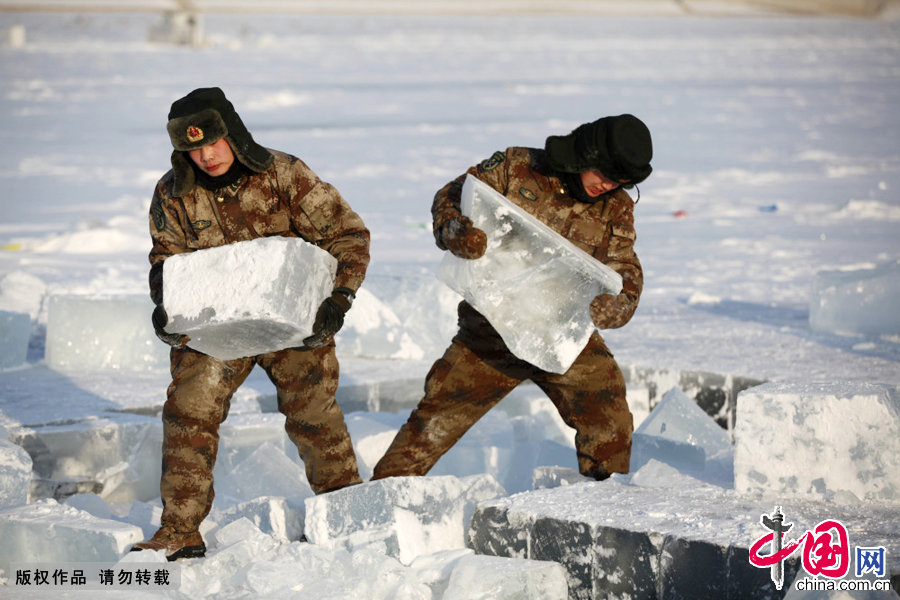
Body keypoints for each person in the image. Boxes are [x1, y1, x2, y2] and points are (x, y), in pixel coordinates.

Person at [132, 87, 369, 560]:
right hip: (217, 327)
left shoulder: (284, 173)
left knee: (315, 418)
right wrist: (166, 307)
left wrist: (339, 298)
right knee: (188, 411)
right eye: (193, 148)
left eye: (213, 142)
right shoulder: (173, 193)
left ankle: (349, 520)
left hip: (293, 323)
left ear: (233, 133)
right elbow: (166, 260)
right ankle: (180, 531)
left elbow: (348, 234)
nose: (206, 155)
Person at [372, 114, 652, 483]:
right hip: (491, 328)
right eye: (605, 173)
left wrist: (620, 305)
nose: (609, 185)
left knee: (608, 416)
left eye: (621, 181)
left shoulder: (616, 208)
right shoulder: (517, 167)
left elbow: (624, 270)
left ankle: (604, 511)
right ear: (586, 155)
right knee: (432, 425)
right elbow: (453, 195)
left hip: (562, 334)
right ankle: (372, 507)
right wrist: (456, 231)